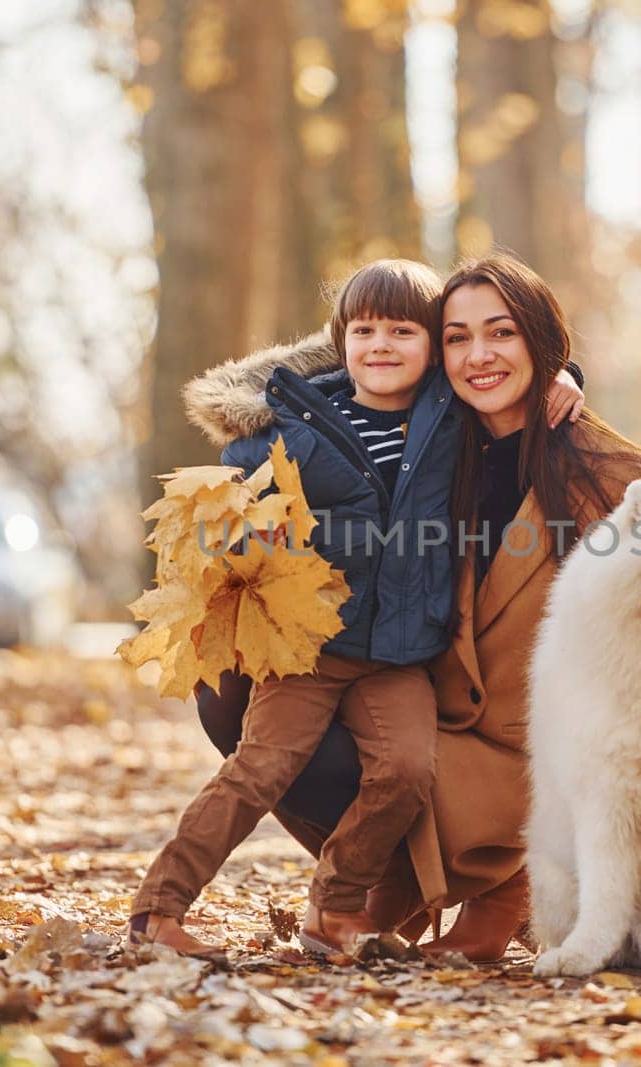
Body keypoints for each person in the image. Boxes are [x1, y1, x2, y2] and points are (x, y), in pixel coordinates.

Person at [184, 253, 641, 962]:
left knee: (403, 759)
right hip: (427, 709)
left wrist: (564, 376)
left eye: (502, 334)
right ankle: (381, 881)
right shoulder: (435, 433)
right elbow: (301, 392)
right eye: (458, 338)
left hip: (535, 747)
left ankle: (503, 886)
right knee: (230, 691)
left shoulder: (613, 476)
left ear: (541, 341)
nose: (478, 356)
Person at [128, 259, 457, 958]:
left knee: (406, 772)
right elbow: (221, 510)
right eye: (364, 329)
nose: (381, 345)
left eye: (403, 330)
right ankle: (160, 908)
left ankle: (333, 909)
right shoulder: (301, 426)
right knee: (260, 769)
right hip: (308, 644)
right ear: (340, 341)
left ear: (435, 342)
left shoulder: (451, 423)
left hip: (398, 651)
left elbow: (524, 377)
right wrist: (249, 533)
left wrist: (566, 378)